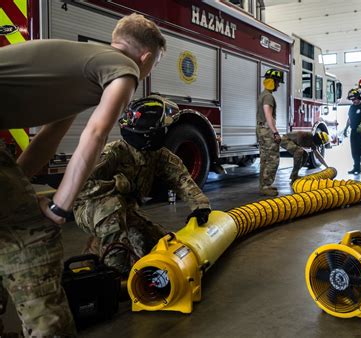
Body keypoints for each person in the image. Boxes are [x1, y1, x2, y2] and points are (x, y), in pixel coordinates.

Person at [0, 13, 165, 336]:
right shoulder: (125, 69)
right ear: (146, 58)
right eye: (153, 65)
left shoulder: (82, 69)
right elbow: (96, 135)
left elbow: (49, 138)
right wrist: (59, 210)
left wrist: (17, 185)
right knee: (33, 239)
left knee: (9, 228)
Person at [73, 95, 211, 274]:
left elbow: (181, 179)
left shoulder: (158, 155)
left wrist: (200, 206)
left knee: (158, 241)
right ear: (151, 133)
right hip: (92, 208)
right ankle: (113, 272)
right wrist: (115, 185)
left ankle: (95, 251)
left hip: (124, 210)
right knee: (113, 214)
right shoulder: (113, 153)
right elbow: (79, 185)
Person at [256, 68, 285, 196]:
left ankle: (264, 185)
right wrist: (275, 132)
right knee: (273, 159)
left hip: (261, 129)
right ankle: (266, 185)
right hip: (267, 131)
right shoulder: (268, 96)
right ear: (271, 82)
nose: (278, 85)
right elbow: (269, 115)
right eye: (277, 82)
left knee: (264, 158)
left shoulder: (263, 94)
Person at [343, 88, 361, 175]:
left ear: (359, 98)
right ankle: (356, 168)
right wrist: (346, 128)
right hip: (353, 131)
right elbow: (349, 119)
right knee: (354, 151)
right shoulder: (352, 107)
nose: (353, 101)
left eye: (354, 99)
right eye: (352, 100)